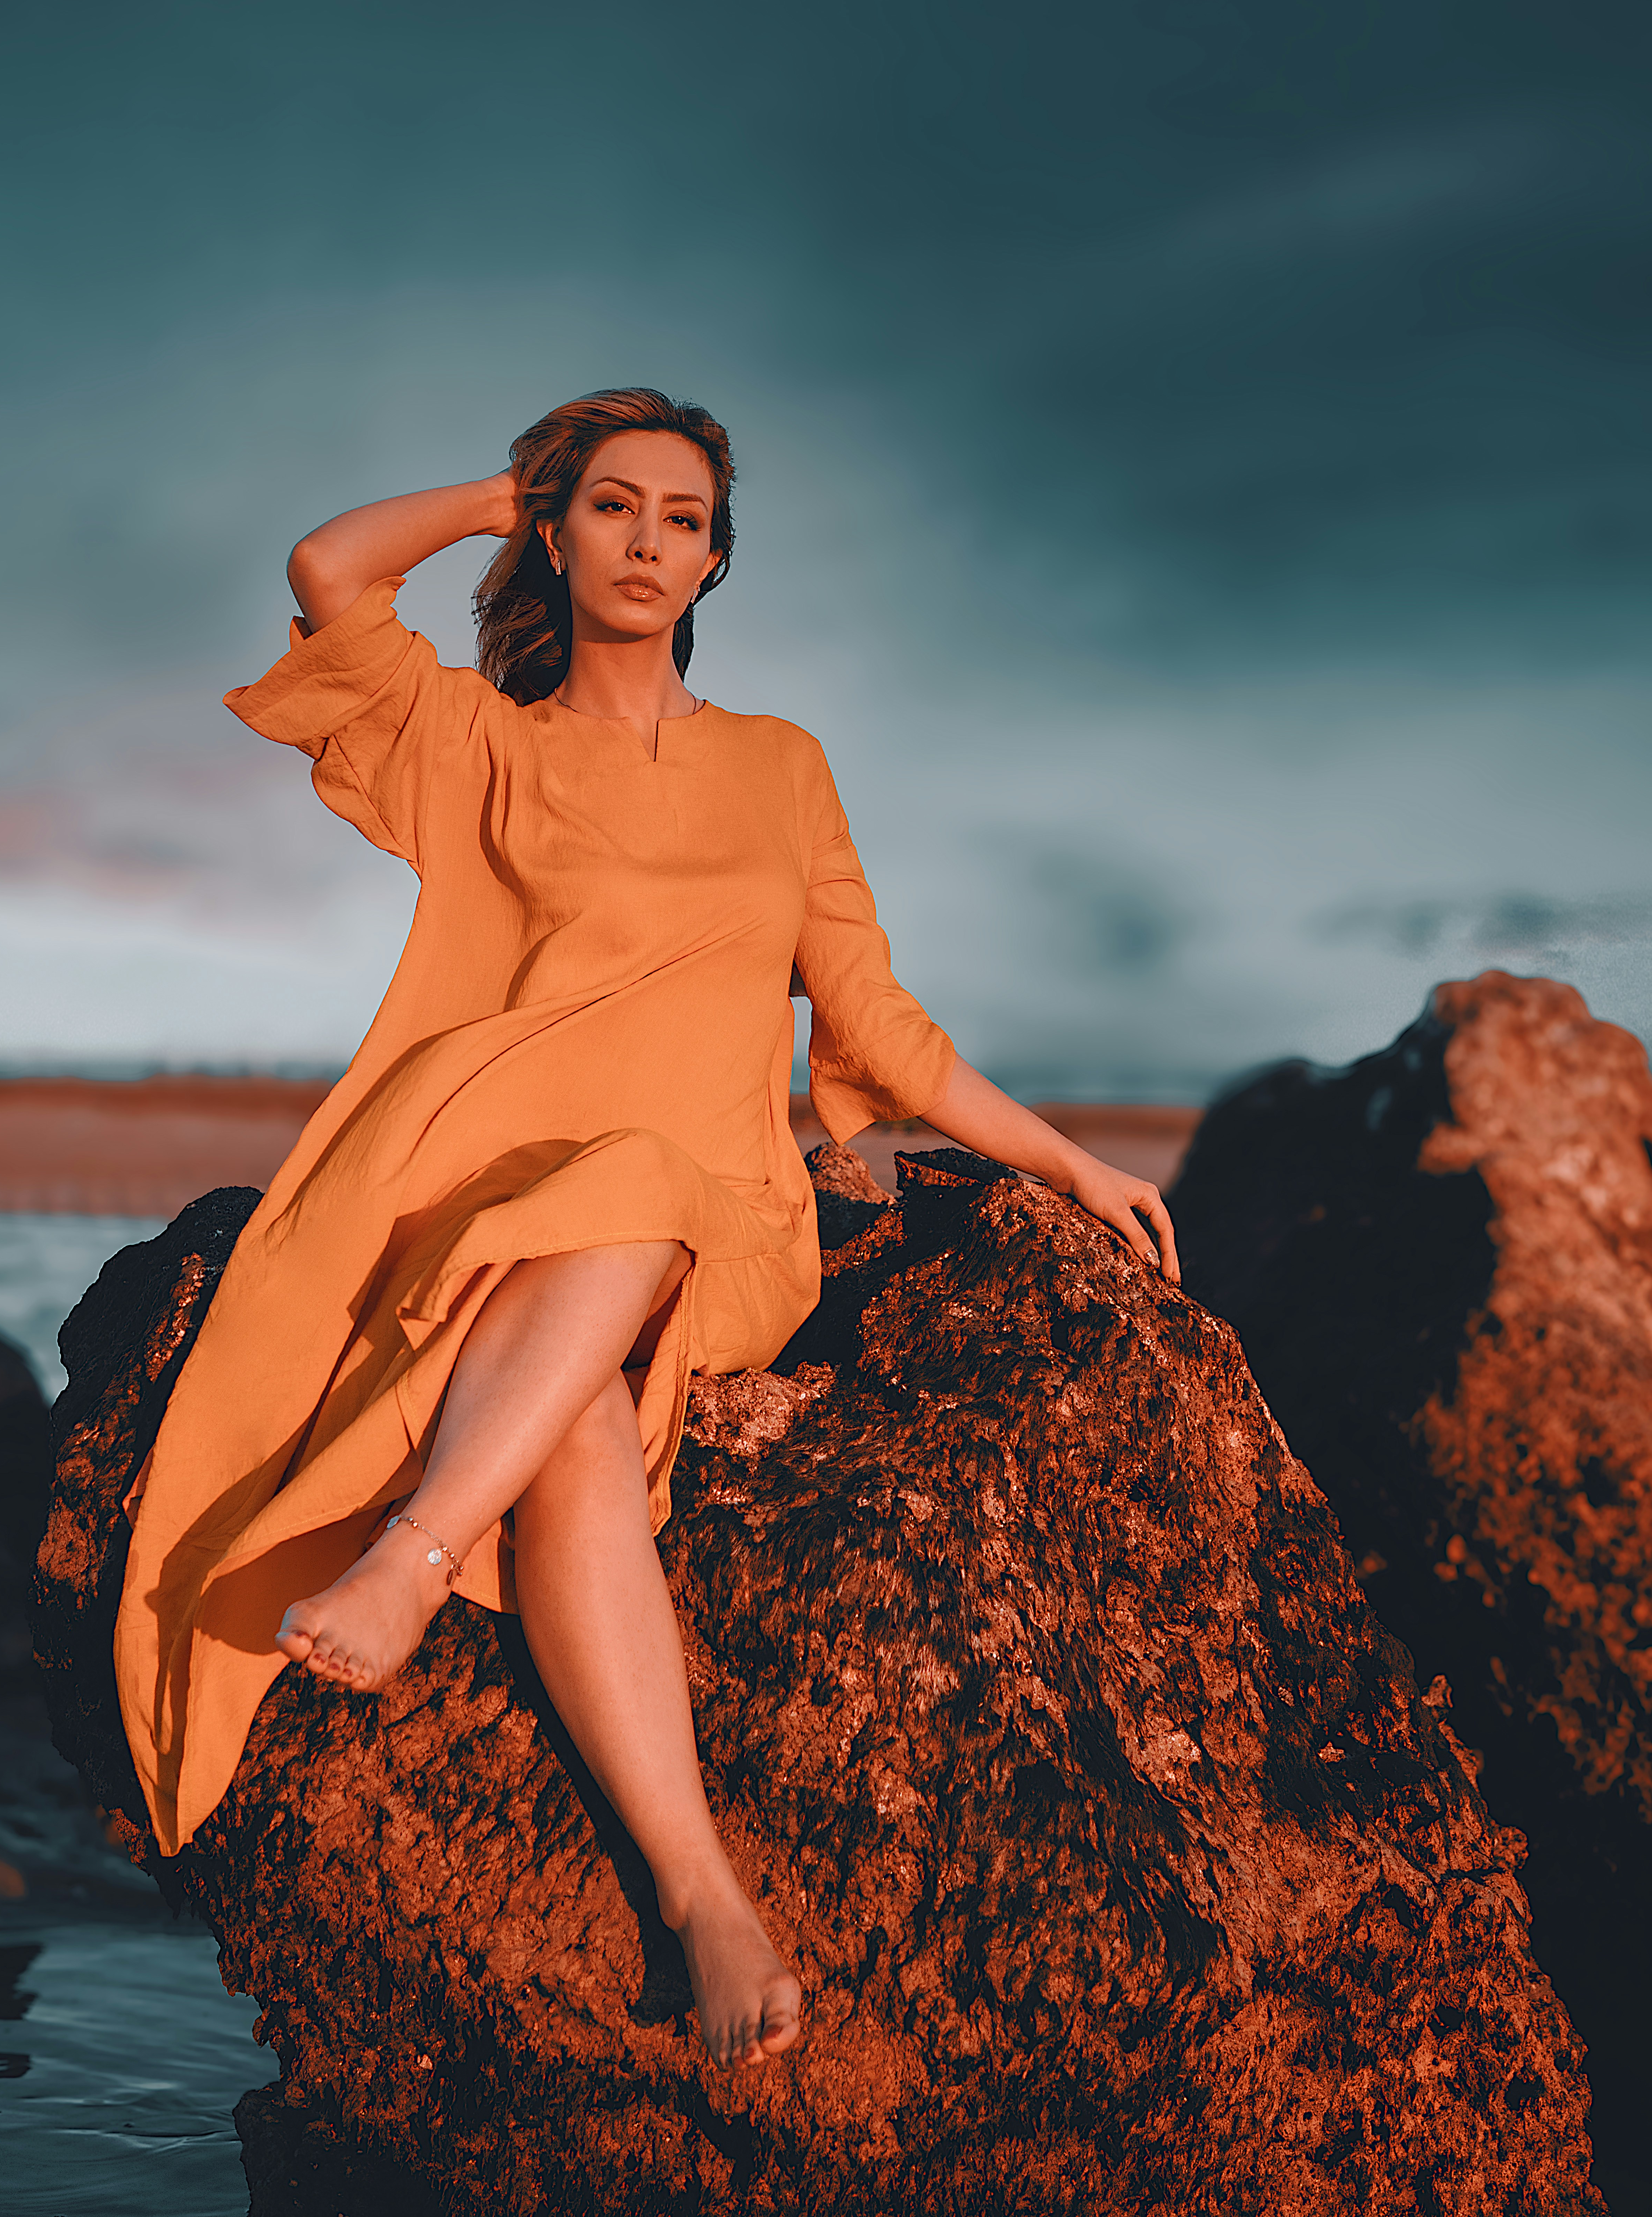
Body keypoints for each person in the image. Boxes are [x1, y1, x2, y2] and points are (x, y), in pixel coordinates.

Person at [113, 386, 1179, 2072]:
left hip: (716, 1208)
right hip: (489, 1200)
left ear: (716, 560)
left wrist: (1070, 1164)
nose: (647, 544)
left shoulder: (782, 766)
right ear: (558, 530)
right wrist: (503, 487)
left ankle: (411, 1557)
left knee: (639, 1194)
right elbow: (330, 571)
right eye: (612, 508)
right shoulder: (486, 740)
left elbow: (878, 1026)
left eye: (683, 519)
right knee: (581, 1431)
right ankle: (700, 1894)